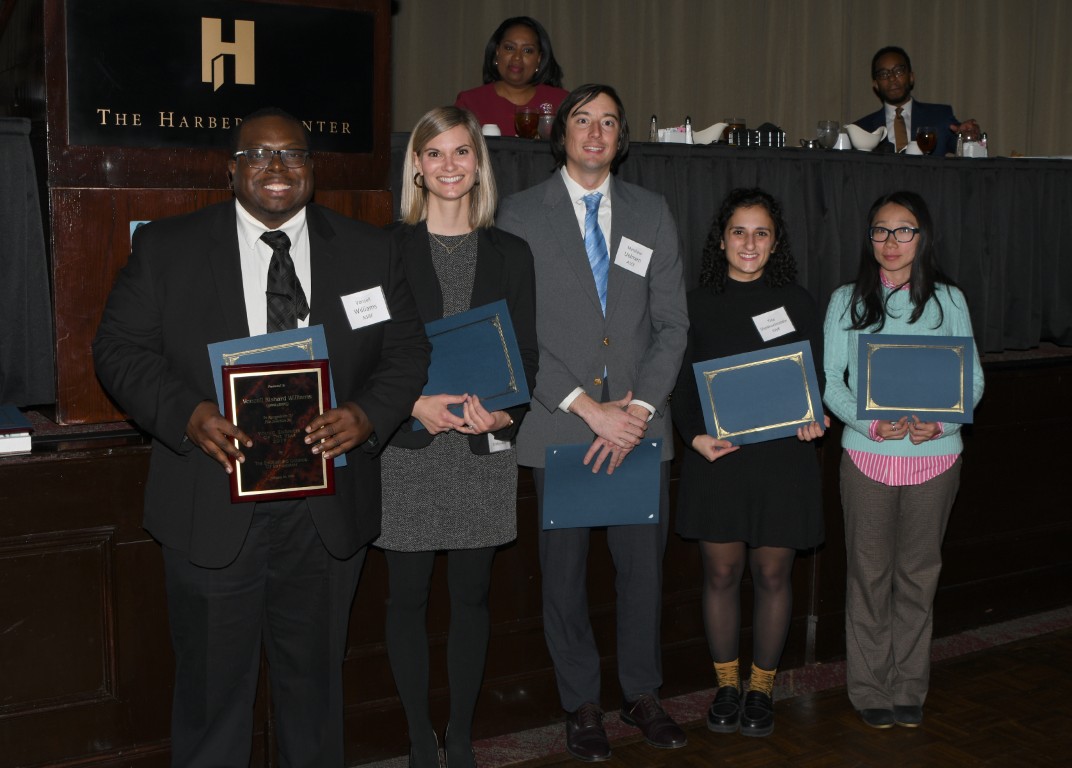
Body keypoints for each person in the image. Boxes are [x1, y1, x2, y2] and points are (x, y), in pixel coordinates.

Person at [92, 107, 430, 768]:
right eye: (258, 155)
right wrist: (186, 414)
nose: (277, 167)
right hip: (212, 503)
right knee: (212, 698)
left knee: (315, 696)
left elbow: (406, 353)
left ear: (312, 168)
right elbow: (118, 350)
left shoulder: (370, 250)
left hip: (325, 510)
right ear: (232, 170)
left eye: (293, 154)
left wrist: (367, 415)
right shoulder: (167, 247)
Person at [496, 83, 689, 762]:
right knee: (564, 579)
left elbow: (672, 325)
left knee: (643, 576)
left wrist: (637, 411)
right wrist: (585, 407)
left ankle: (642, 694)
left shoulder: (651, 212)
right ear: (562, 133)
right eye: (583, 119)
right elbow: (514, 330)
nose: (596, 132)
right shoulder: (520, 214)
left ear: (621, 137)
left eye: (609, 121)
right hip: (562, 424)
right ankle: (581, 703)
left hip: (638, 427)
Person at [374, 106, 538, 768]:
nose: (449, 165)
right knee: (406, 599)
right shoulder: (385, 250)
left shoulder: (511, 253)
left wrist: (504, 416)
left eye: (461, 152)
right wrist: (412, 405)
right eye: (435, 152)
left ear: (479, 163)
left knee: (471, 598)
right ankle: (420, 738)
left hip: (480, 452)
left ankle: (461, 736)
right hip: (406, 450)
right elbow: (366, 354)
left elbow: (527, 357)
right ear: (416, 165)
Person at [822, 190, 984, 729]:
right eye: (881, 230)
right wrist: (868, 424)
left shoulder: (949, 301)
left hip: (934, 460)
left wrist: (942, 423)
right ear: (869, 238)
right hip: (867, 458)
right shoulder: (846, 300)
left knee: (918, 577)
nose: (891, 242)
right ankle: (869, 687)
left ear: (923, 236)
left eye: (904, 230)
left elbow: (972, 380)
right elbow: (832, 382)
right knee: (868, 578)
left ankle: (909, 685)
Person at [672, 188, 826, 739]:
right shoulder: (694, 304)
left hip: (783, 460)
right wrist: (693, 437)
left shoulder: (797, 302)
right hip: (718, 458)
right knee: (720, 573)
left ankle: (761, 688)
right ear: (721, 239)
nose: (749, 243)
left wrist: (813, 418)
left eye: (762, 233)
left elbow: (814, 379)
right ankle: (727, 686)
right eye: (739, 231)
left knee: (772, 573)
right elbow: (679, 384)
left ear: (776, 242)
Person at [852, 46, 980, 156]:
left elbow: (966, 152)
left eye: (898, 71)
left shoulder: (940, 117)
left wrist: (969, 138)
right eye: (884, 74)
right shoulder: (861, 129)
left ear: (911, 77)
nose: (892, 78)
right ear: (876, 85)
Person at [454, 16, 568, 137]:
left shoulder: (562, 102)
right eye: (509, 48)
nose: (517, 57)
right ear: (497, 52)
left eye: (527, 51)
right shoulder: (470, 102)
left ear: (539, 59)